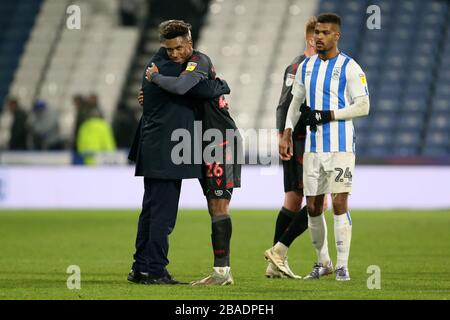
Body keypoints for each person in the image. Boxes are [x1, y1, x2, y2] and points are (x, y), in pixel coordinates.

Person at [127, 20, 230, 285]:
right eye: (170, 48)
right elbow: (193, 88)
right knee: (162, 214)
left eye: (178, 48)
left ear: (189, 41)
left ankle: (141, 268)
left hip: (155, 145)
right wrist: (221, 85)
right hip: (167, 148)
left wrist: (155, 83)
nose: (175, 53)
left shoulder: (156, 64)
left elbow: (182, 89)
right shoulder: (173, 67)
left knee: (150, 210)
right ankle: (155, 270)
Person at [280, 13, 370, 281]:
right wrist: (286, 133)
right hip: (313, 147)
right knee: (313, 207)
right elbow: (295, 104)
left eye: (325, 33)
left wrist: (327, 115)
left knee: (340, 202)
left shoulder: (350, 67)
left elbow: (364, 106)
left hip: (341, 147)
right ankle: (323, 263)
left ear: (336, 36)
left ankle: (342, 265)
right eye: (317, 32)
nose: (319, 37)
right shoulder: (306, 67)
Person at [264, 17, 326, 279]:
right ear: (311, 39)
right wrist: (283, 135)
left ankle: (275, 263)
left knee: (293, 199)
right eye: (320, 36)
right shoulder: (298, 66)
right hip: (299, 139)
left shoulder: (318, 66)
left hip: (304, 139)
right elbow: (285, 103)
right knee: (318, 202)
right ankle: (278, 251)